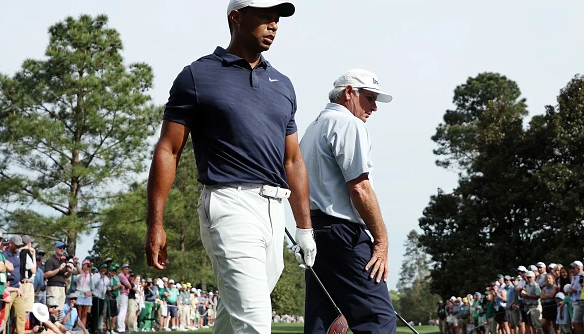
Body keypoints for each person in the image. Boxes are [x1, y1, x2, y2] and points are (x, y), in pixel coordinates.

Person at [144, 1, 316, 333]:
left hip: (274, 211)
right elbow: (168, 149)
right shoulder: (197, 75)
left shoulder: (283, 84)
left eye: (277, 19)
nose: (274, 25)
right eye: (265, 16)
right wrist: (156, 223)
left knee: (231, 316)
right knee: (254, 320)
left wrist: (305, 228)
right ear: (236, 17)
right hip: (229, 204)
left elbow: (292, 159)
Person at [298, 68, 396, 333]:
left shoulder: (313, 128)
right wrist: (382, 241)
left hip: (315, 232)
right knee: (379, 320)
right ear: (349, 93)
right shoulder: (348, 123)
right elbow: (360, 188)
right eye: (370, 98)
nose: (374, 107)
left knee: (323, 322)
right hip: (344, 235)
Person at [2, 234, 27, 334]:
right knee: (4, 317)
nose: (18, 247)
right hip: (8, 290)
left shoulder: (18, 255)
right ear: (10, 244)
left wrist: (20, 284)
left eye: (20, 246)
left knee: (21, 316)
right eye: (16, 245)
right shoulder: (3, 255)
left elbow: (18, 270)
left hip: (18, 289)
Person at [44, 242, 74, 310]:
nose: (62, 249)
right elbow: (46, 275)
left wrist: (70, 272)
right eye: (60, 248)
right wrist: (58, 269)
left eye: (63, 248)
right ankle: (51, 320)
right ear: (56, 249)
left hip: (62, 287)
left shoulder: (62, 261)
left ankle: (58, 321)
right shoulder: (50, 260)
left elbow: (65, 275)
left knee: (60, 310)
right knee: (52, 309)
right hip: (53, 287)